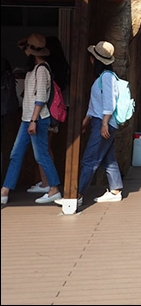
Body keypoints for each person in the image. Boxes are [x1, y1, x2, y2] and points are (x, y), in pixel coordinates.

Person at [56, 40, 124, 211]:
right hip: (101, 121)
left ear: (95, 60)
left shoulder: (107, 77)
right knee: (108, 159)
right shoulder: (104, 77)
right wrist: (87, 121)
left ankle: (76, 195)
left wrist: (104, 124)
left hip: (104, 122)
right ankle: (115, 190)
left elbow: (110, 102)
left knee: (89, 159)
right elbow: (96, 105)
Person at [1, 34, 61, 206]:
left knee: (41, 155)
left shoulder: (41, 69)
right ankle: (5, 190)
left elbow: (41, 97)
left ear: (30, 52)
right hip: (27, 118)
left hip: (37, 119)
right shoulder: (34, 68)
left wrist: (34, 120)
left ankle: (54, 189)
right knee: (16, 154)